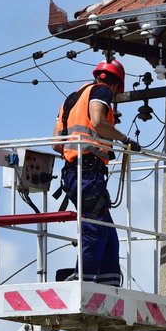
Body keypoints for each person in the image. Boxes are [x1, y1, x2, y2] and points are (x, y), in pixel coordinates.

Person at [53, 58, 140, 286]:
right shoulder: (102, 91)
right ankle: (83, 279)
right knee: (95, 228)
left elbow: (56, 143)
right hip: (87, 173)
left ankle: (108, 279)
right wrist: (124, 139)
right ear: (116, 85)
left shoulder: (71, 99)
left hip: (73, 173)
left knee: (107, 231)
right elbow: (98, 121)